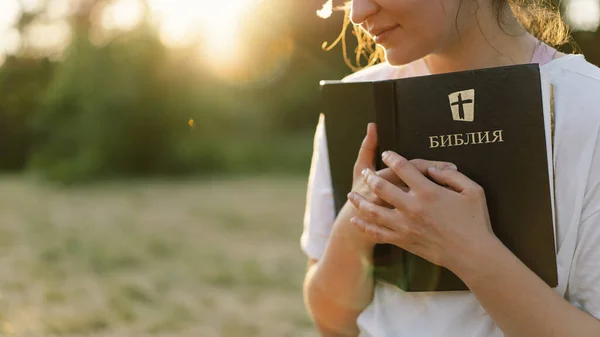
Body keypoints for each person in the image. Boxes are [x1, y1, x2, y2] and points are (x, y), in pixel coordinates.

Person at [301, 0, 600, 336]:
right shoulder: (356, 104)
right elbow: (332, 323)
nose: (357, 14)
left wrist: (469, 253)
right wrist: (356, 225)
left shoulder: (588, 108)